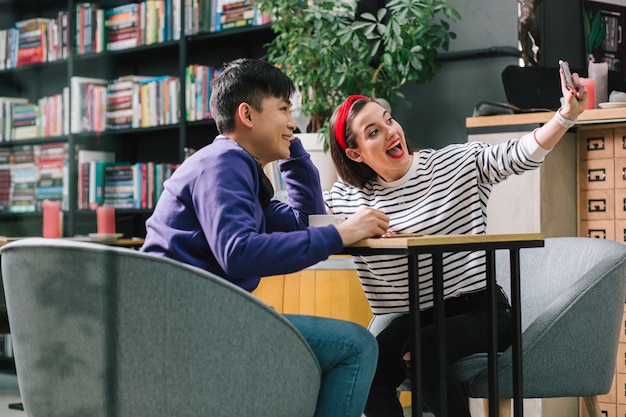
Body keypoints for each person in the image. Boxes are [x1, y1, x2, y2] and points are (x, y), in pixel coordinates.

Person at [323, 66, 588, 416]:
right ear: (355, 153)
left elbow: (519, 153)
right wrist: (357, 225)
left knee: (423, 354)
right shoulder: (348, 200)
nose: (390, 132)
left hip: (481, 310)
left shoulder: (453, 164)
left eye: (388, 121)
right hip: (413, 316)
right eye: (374, 132)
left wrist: (566, 116)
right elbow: (297, 221)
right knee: (364, 367)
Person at [141, 58, 390, 417]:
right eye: (284, 109)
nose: (293, 121)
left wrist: (293, 149)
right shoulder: (224, 163)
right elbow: (238, 253)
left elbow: (305, 223)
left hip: (199, 317)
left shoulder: (234, 167)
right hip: (190, 326)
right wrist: (342, 233)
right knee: (356, 346)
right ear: (248, 114)